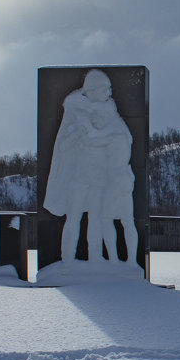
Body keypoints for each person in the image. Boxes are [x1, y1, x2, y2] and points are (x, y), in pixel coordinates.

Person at [43, 69, 138, 265]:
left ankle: (95, 258)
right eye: (105, 89)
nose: (108, 94)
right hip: (80, 175)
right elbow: (62, 146)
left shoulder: (111, 111)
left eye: (109, 89)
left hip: (101, 178)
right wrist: (77, 134)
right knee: (74, 216)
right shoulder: (75, 111)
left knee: (96, 219)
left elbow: (124, 138)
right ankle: (67, 260)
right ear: (92, 90)